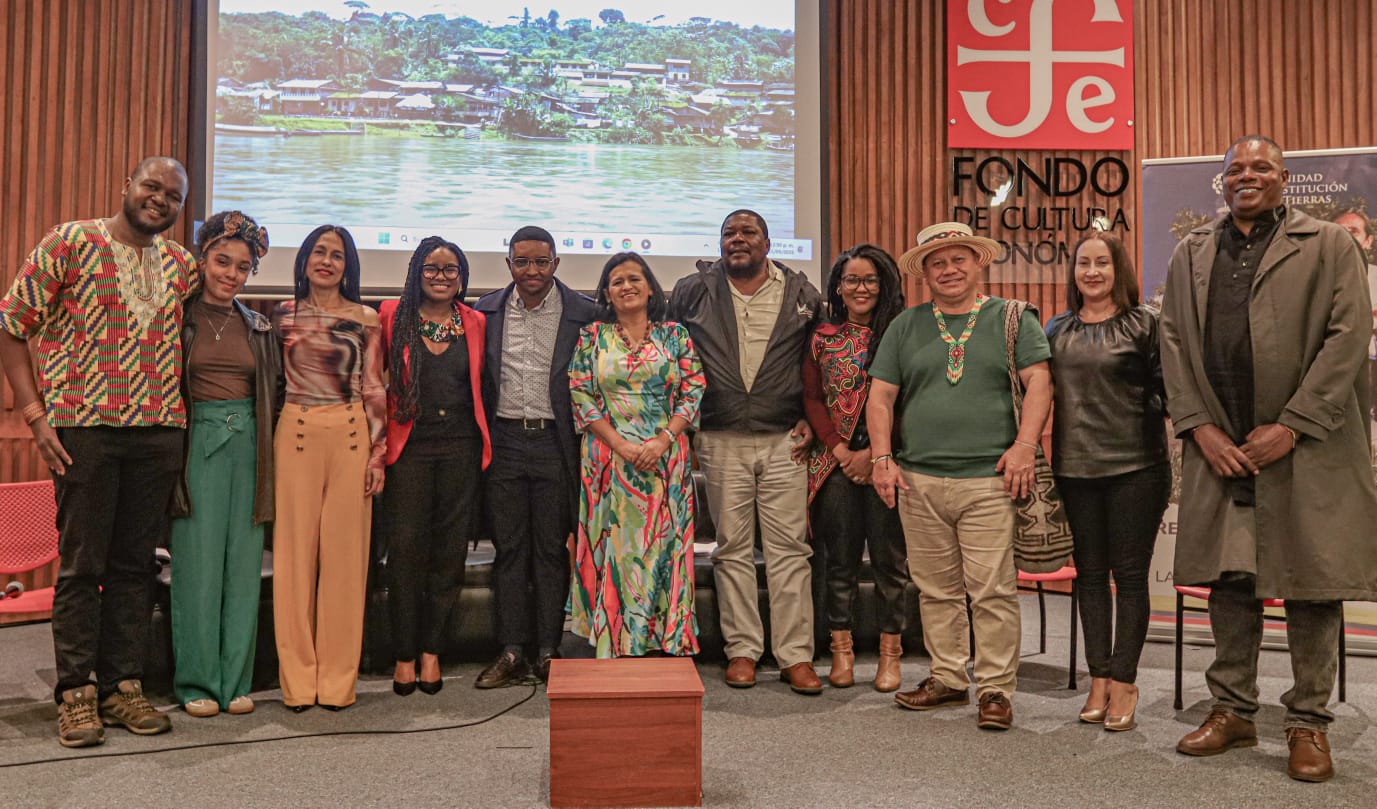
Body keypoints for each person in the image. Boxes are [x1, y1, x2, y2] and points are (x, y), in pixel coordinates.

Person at [1161, 135, 1377, 782]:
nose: (1245, 176)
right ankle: (1231, 708)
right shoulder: (1192, 251)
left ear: (1283, 178)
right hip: (1220, 448)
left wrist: (1292, 425)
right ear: (1220, 184)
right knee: (1229, 580)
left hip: (1306, 447)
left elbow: (1348, 338)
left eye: (1259, 167)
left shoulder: (1329, 245)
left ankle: (1307, 720)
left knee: (1312, 584)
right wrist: (1199, 427)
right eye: (1234, 169)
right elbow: (1171, 340)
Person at [0, 156, 193, 747]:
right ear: (127, 186)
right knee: (83, 566)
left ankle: (123, 687)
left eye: (173, 196)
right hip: (84, 431)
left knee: (137, 564)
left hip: (158, 431)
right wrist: (35, 417)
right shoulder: (70, 242)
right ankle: (76, 694)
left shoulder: (183, 266)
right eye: (151, 186)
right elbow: (11, 326)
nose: (159, 199)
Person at [867, 221, 1052, 730]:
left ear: (979, 263)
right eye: (937, 262)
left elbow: (1040, 383)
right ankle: (948, 678)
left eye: (958, 259)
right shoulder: (905, 325)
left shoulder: (1012, 318)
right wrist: (882, 458)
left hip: (990, 478)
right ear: (924, 273)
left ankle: (995, 688)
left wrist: (1024, 446)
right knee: (935, 589)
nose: (948, 269)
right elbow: (880, 396)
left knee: (991, 589)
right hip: (917, 479)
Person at [669, 209, 824, 694]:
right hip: (718, 437)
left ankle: (795, 656)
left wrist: (811, 416)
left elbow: (815, 362)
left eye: (748, 232)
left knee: (790, 551)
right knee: (732, 549)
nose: (738, 240)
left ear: (767, 242)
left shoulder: (803, 293)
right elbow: (671, 355)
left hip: (785, 439)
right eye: (729, 233)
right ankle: (742, 651)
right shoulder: (692, 291)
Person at [1044, 232, 1169, 731]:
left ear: (1119, 269)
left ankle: (1125, 681)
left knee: (1131, 577)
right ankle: (1097, 678)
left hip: (1137, 467)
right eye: (1083, 264)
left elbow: (1171, 390)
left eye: (1102, 263)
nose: (1091, 272)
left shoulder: (1146, 324)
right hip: (1074, 468)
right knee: (1090, 577)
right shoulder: (1055, 328)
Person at [474, 226, 599, 686]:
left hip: (555, 444)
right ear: (508, 264)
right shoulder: (484, 312)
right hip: (503, 442)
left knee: (550, 550)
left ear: (556, 264)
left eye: (541, 262)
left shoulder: (584, 313)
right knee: (509, 551)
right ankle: (510, 651)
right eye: (522, 262)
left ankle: (548, 649)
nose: (532, 271)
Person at [169, 211, 279, 718]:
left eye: (242, 266)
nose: (231, 273)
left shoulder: (258, 326)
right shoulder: (177, 318)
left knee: (242, 569)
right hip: (197, 450)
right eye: (222, 261)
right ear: (203, 258)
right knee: (197, 569)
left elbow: (272, 397)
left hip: (250, 449)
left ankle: (234, 680)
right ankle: (196, 683)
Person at [568, 252, 705, 657]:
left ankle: (662, 637)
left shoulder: (675, 335)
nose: (626, 286)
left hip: (665, 458)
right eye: (616, 281)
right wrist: (622, 444)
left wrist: (662, 440)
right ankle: (617, 638)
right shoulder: (591, 337)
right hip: (608, 458)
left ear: (649, 287)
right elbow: (580, 393)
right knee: (616, 547)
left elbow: (693, 388)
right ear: (607, 293)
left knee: (662, 545)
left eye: (634, 278)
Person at [272, 225, 386, 711]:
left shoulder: (367, 318)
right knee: (294, 562)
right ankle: (298, 682)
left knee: (345, 562)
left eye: (337, 255)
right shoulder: (281, 315)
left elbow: (375, 386)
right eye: (319, 252)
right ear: (303, 260)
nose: (326, 261)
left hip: (351, 434)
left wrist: (378, 453)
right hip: (295, 430)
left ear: (348, 266)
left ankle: (339, 681)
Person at [378, 237, 491, 696]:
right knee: (405, 553)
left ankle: (432, 652)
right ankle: (403, 654)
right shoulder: (390, 316)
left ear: (461, 277)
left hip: (461, 449)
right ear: (415, 273)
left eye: (450, 270)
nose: (441, 276)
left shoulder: (476, 321)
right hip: (409, 450)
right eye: (431, 268)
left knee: (449, 554)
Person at [801, 244, 909, 691]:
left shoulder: (903, 333)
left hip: (889, 463)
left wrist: (876, 453)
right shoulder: (821, 336)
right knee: (839, 562)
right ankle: (841, 653)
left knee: (890, 562)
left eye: (869, 280)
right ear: (838, 288)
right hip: (834, 465)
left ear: (883, 286)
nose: (860, 288)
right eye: (851, 280)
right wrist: (841, 449)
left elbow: (908, 398)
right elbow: (811, 398)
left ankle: (890, 656)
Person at [1330, 209, 1377, 422]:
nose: (1346, 236)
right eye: (1339, 231)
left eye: (1353, 231)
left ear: (1368, 241)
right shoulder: (1312, 274)